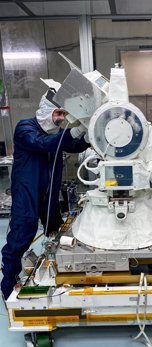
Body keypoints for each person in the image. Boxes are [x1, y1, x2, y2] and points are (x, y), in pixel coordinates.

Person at [1, 94, 90, 300]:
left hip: (48, 193)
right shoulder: (25, 128)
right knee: (23, 232)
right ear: (45, 111)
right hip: (27, 192)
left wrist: (85, 136)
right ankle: (7, 284)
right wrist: (73, 131)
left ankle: (50, 267)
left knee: (53, 226)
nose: (60, 118)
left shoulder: (55, 133)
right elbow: (43, 144)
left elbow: (71, 145)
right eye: (57, 113)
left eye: (63, 114)